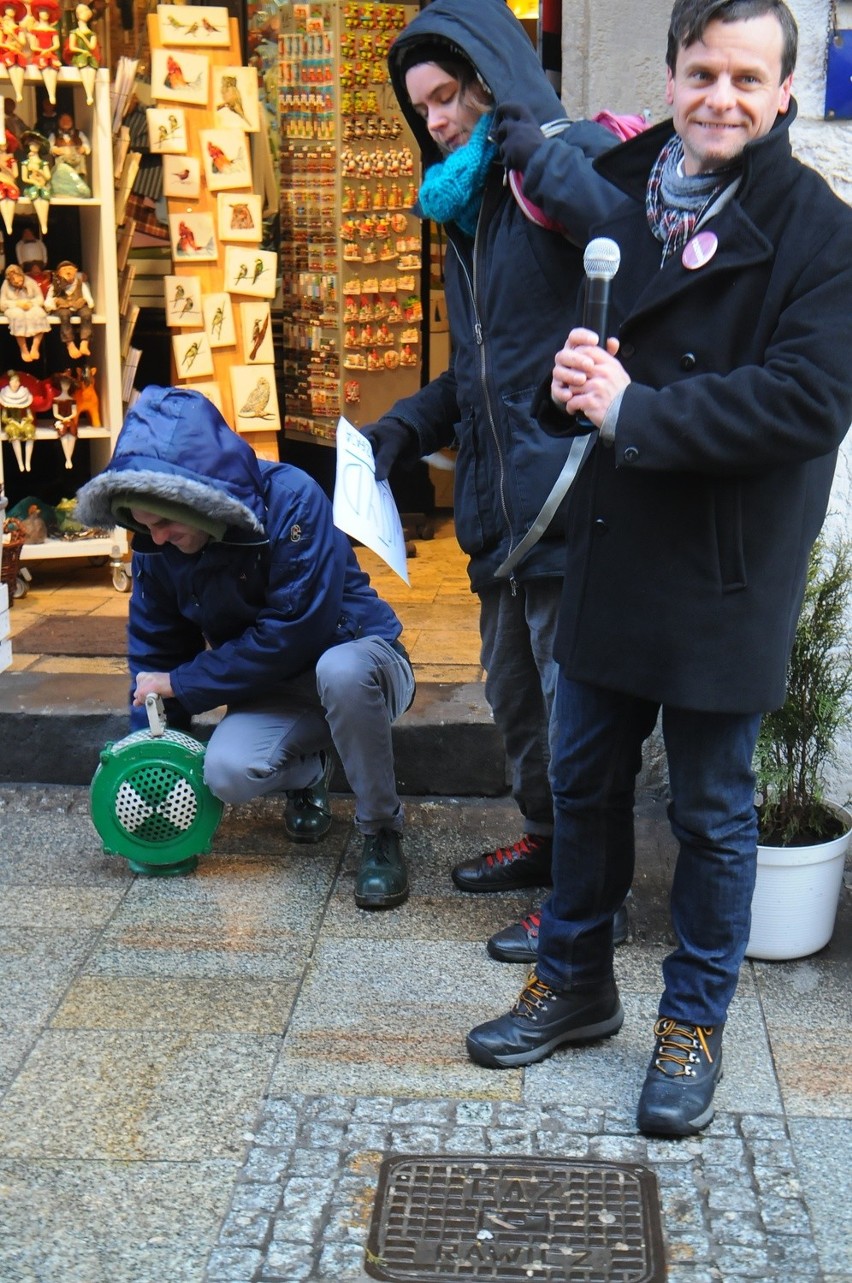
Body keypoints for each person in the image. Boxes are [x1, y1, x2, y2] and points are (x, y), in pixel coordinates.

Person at [465, 0, 852, 1139]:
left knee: (713, 811)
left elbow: (808, 400)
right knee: (583, 782)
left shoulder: (821, 230)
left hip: (725, 564)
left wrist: (641, 408)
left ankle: (693, 1020)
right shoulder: (623, 186)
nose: (720, 97)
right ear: (671, 75)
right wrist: (568, 379)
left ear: (784, 91)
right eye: (701, 72)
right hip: (613, 538)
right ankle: (576, 981)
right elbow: (573, 345)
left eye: (747, 77)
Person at [364, 0, 626, 950]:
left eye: (447, 96)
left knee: (574, 715)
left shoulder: (564, 162)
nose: (435, 121)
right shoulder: (472, 208)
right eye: (420, 108)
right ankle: (551, 843)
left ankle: (589, 896)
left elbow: (636, 249)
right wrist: (406, 425)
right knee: (517, 699)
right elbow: (484, 363)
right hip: (501, 513)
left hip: (567, 498)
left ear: (491, 80)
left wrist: (541, 154)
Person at [74, 386, 416, 910]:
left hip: (363, 664)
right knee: (225, 773)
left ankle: (381, 832)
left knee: (340, 671)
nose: (156, 537)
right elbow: (155, 655)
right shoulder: (156, 544)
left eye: (164, 521)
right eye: (142, 524)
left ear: (198, 499)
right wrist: (147, 764)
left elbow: (295, 629)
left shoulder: (294, 497)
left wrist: (186, 684)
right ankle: (308, 772)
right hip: (274, 688)